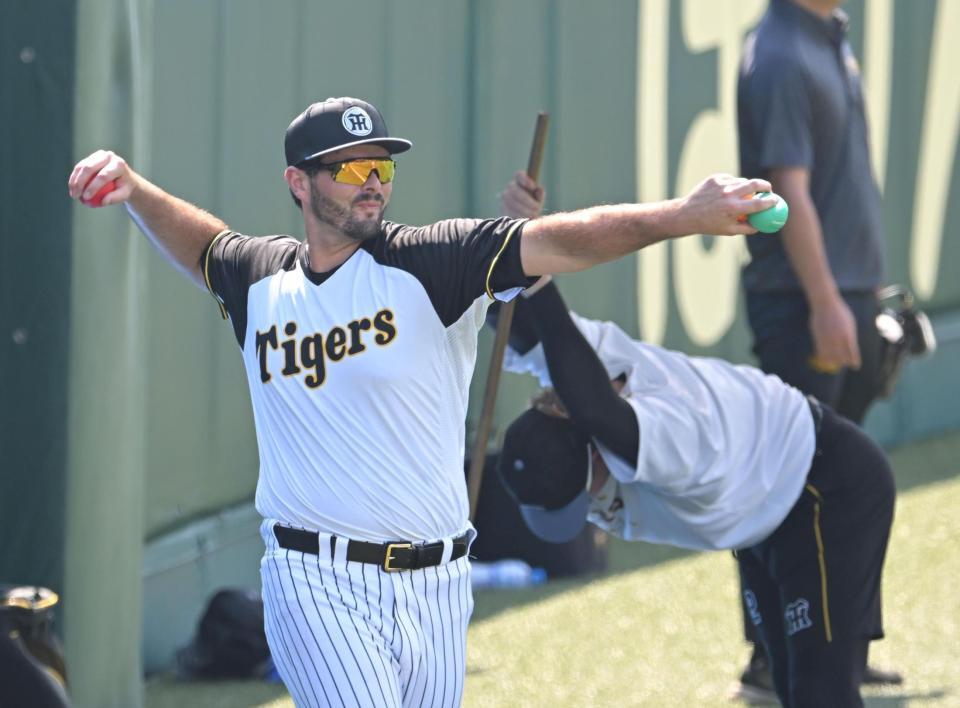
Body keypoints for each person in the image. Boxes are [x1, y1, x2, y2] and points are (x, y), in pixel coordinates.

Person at [67, 97, 776, 708]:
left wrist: (684, 215)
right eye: (350, 169)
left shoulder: (435, 261)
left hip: (439, 585)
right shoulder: (260, 280)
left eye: (383, 167)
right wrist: (133, 189)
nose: (372, 183)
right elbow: (202, 247)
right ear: (299, 182)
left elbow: (564, 241)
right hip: (318, 578)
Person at [495, 277, 895, 707]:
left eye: (581, 493)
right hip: (758, 518)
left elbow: (600, 410)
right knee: (787, 684)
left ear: (595, 454)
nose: (589, 509)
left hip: (824, 484)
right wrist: (505, 256)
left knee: (821, 693)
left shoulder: (671, 435)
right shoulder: (579, 380)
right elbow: (520, 325)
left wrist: (536, 277)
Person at [736, 0, 900, 696]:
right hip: (806, 309)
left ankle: (845, 650)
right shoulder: (778, 54)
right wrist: (828, 301)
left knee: (843, 492)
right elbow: (790, 191)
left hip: (844, 297)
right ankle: (771, 658)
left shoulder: (825, 38)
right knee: (788, 491)